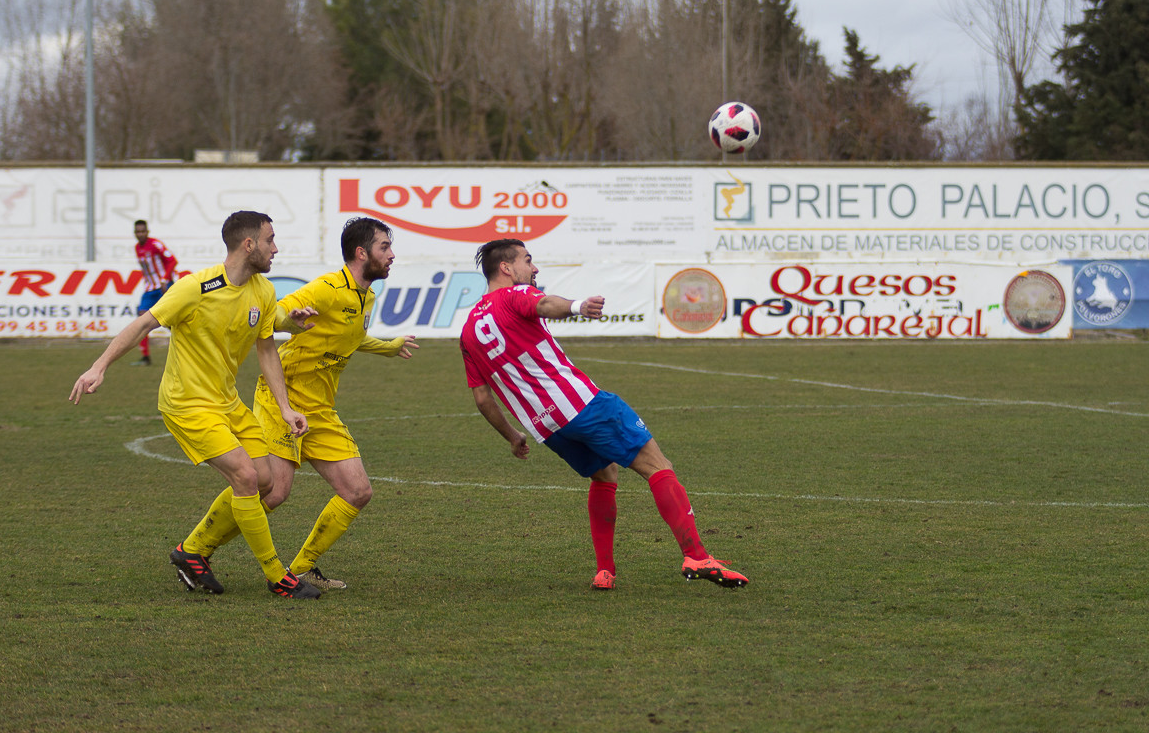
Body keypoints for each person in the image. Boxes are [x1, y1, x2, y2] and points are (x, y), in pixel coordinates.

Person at [459, 239, 748, 591]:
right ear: (506, 268)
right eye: (528, 260)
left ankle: (604, 570)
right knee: (658, 466)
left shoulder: (468, 330)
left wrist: (513, 435)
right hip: (584, 406)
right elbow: (547, 304)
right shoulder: (513, 295)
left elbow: (482, 398)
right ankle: (697, 556)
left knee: (605, 475)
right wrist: (579, 305)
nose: (534, 269)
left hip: (548, 427)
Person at [69, 210, 321, 600]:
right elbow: (143, 324)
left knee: (268, 484)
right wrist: (98, 366)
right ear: (248, 244)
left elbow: (267, 349)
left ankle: (191, 551)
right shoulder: (196, 287)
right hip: (187, 404)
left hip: (228, 403)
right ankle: (277, 576)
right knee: (247, 478)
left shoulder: (263, 293)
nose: (276, 248)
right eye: (270, 239)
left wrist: (286, 408)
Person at [178, 217, 418, 592]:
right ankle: (194, 549)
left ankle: (303, 568)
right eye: (385, 247)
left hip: (321, 407)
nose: (391, 255)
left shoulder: (366, 295)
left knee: (358, 491)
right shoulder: (326, 289)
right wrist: (290, 318)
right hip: (282, 399)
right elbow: (274, 315)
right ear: (361, 253)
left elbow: (349, 336)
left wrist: (386, 347)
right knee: (272, 491)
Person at [131, 219, 178, 366]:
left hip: (163, 286)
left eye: (142, 231)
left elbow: (172, 261)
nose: (140, 234)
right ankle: (145, 357)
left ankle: (188, 344)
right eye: (138, 232)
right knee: (141, 319)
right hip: (150, 289)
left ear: (147, 231)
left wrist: (164, 280)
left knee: (170, 321)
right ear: (135, 233)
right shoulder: (137, 248)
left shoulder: (155, 244)